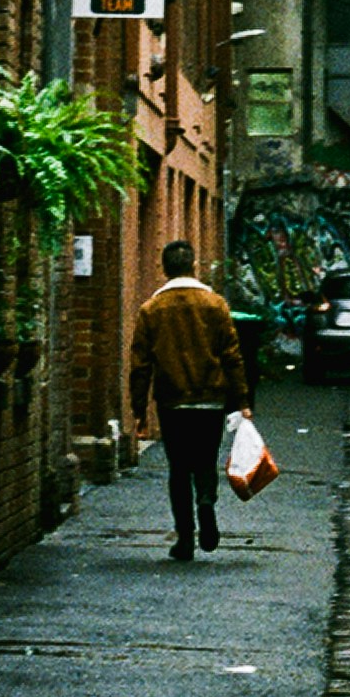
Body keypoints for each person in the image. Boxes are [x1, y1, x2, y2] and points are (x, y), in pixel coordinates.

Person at [129, 238, 249, 562]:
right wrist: (242, 399)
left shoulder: (152, 309)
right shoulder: (215, 305)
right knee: (205, 462)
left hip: (173, 402)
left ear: (164, 269)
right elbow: (231, 355)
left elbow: (140, 364)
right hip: (211, 398)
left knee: (179, 469)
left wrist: (138, 409)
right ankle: (207, 501)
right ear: (193, 266)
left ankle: (185, 538)